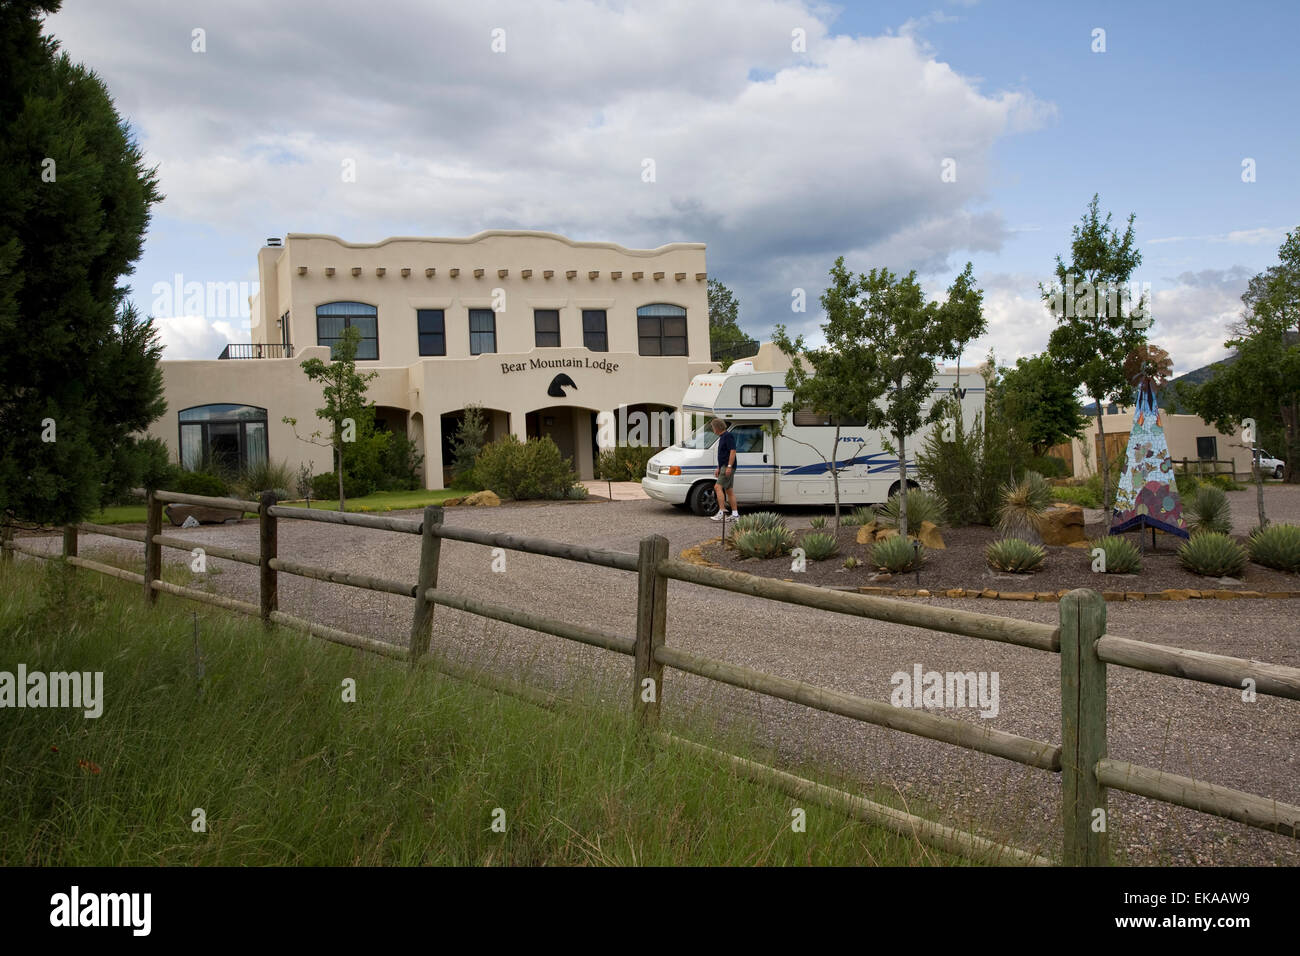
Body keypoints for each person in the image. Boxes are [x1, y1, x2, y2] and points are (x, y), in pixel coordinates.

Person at [709, 418, 739, 521]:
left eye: (713, 427)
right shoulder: (722, 437)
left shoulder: (727, 436)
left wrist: (729, 466)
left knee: (717, 487)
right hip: (724, 466)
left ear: (717, 427)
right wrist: (718, 467)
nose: (713, 430)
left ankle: (722, 511)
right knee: (729, 490)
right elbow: (723, 454)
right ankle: (735, 515)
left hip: (727, 467)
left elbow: (733, 451)